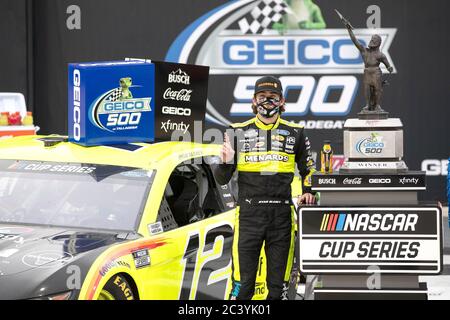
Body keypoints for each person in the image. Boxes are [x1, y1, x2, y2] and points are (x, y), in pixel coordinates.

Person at [213, 76, 316, 300]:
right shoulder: (236, 131)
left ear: (282, 101)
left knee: (277, 289)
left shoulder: (296, 132)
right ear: (253, 100)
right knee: (242, 286)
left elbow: (309, 169)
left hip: (281, 217)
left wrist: (308, 191)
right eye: (262, 97)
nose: (267, 102)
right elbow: (221, 179)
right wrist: (225, 161)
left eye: (272, 98)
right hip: (248, 215)